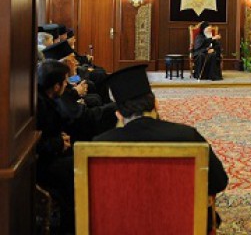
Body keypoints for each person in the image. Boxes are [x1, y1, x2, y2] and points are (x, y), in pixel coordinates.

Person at [94, 64, 229, 232]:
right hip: (181, 225)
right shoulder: (187, 136)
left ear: (118, 115)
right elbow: (219, 181)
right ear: (156, 104)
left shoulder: (99, 145)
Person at [43, 41, 117, 142]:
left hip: (78, 84)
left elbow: (74, 80)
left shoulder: (62, 76)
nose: (76, 62)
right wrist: (76, 90)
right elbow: (73, 82)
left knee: (96, 81)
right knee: (96, 82)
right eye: (72, 59)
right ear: (66, 63)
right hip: (73, 129)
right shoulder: (56, 82)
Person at [36, 59, 75, 233]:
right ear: (56, 86)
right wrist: (58, 143)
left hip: (51, 155)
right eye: (65, 82)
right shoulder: (39, 105)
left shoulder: (46, 98)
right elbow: (38, 144)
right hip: (41, 165)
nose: (67, 85)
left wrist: (60, 139)